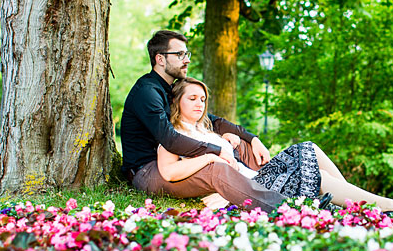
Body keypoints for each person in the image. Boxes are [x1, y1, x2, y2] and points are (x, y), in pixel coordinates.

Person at [157, 77, 393, 214]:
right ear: (177, 102)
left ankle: (357, 203)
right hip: (251, 191)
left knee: (308, 148)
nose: (199, 104)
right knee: (315, 175)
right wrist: (210, 157)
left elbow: (228, 144)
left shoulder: (208, 129)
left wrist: (230, 141)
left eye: (202, 99)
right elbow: (169, 173)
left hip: (258, 178)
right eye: (192, 98)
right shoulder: (172, 137)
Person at [120, 30, 291, 212]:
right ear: (160, 59)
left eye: (187, 54)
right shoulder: (147, 92)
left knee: (238, 146)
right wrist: (215, 152)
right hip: (148, 171)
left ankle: (290, 186)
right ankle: (286, 207)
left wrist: (252, 139)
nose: (187, 60)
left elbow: (213, 121)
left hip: (175, 160)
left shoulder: (170, 90)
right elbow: (169, 139)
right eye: (179, 55)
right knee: (217, 169)